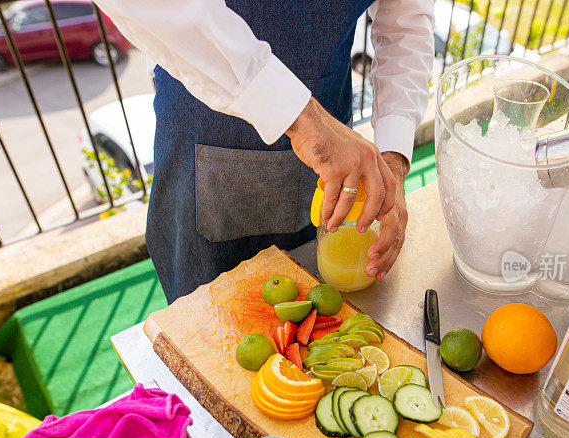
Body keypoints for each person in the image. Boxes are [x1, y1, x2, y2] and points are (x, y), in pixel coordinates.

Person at [93, 0, 435, 303]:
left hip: (331, 138)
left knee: (315, 312)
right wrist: (303, 119)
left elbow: (406, 24)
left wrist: (392, 154)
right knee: (211, 325)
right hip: (209, 136)